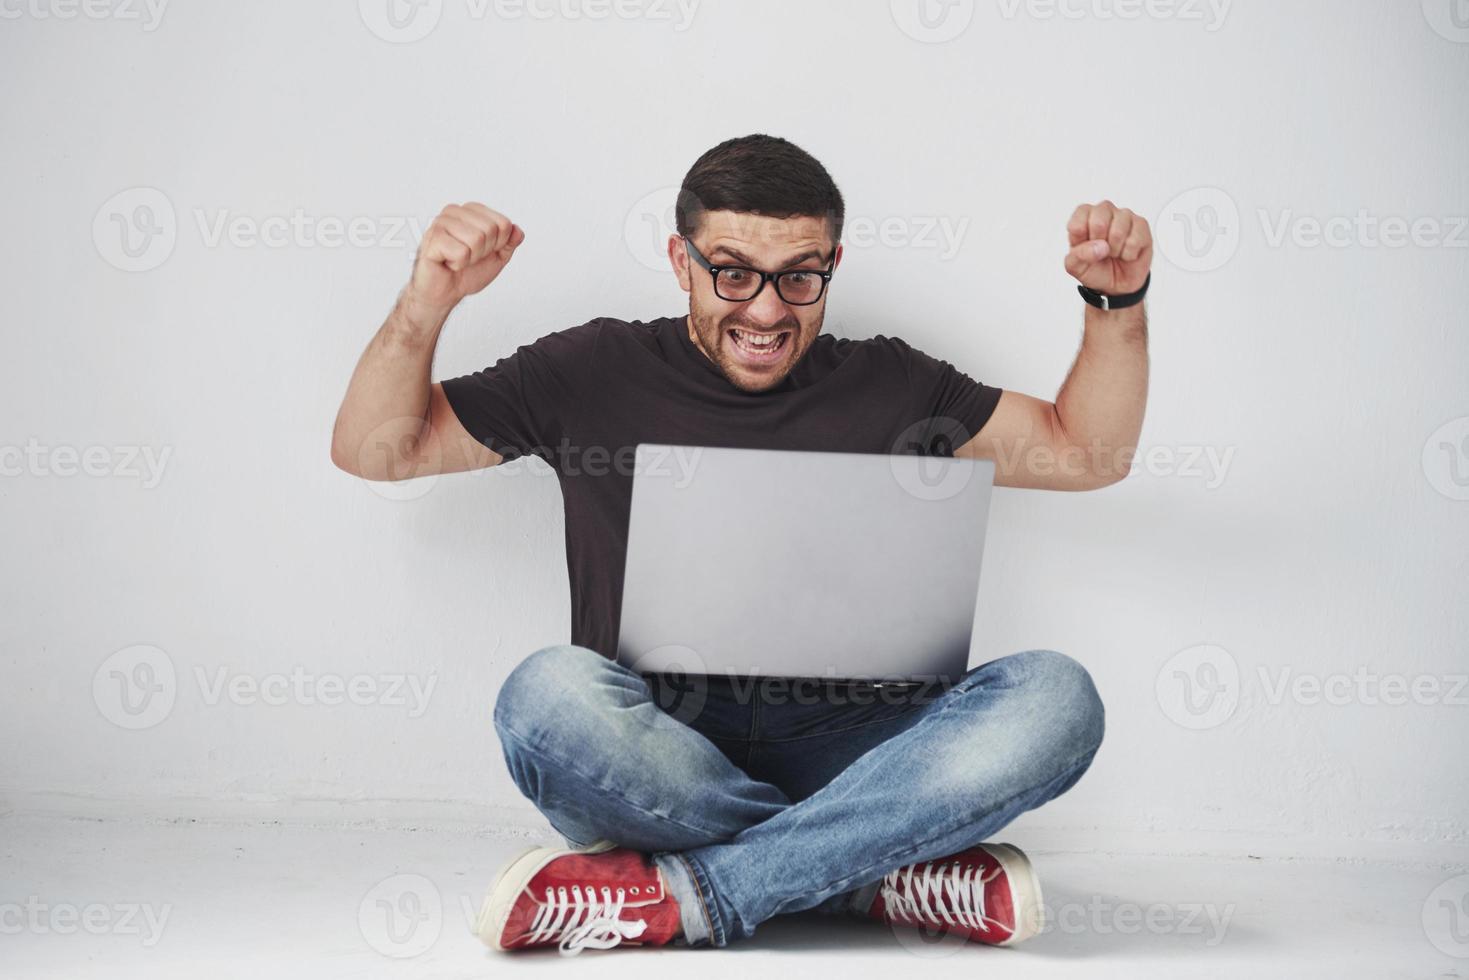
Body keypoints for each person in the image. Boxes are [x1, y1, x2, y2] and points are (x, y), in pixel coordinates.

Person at [331, 134, 1150, 955]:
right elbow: (377, 448)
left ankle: (701, 892)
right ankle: (865, 871)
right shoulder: (590, 369)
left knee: (1055, 697)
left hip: (863, 754)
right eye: (731, 272)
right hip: (661, 754)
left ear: (833, 262)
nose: (765, 310)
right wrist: (427, 301)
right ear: (680, 261)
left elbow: (1084, 453)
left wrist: (1114, 305)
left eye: (799, 276)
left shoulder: (893, 382)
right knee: (545, 697)